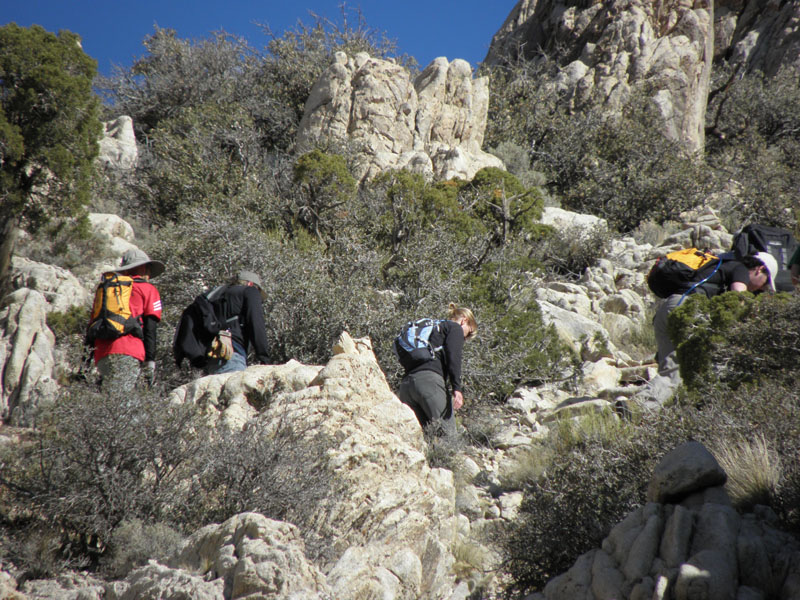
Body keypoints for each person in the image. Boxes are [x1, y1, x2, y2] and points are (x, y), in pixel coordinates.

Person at [647, 251, 778, 403]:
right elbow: (738, 300)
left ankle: (635, 407)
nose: (762, 289)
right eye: (766, 282)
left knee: (671, 371)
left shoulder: (720, 265)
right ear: (759, 269)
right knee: (710, 364)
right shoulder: (740, 269)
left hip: (668, 308)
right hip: (690, 309)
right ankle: (708, 405)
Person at [398, 303, 477, 436]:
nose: (464, 339)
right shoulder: (455, 328)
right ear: (464, 320)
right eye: (467, 334)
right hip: (429, 383)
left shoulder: (431, 328)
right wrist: (456, 388)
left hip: (406, 387)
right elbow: (454, 357)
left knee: (423, 439)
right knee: (449, 438)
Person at [93, 248, 164, 390]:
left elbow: (92, 326)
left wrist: (84, 362)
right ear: (144, 268)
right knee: (123, 405)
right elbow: (150, 328)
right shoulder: (149, 290)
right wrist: (150, 363)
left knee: (109, 401)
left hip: (101, 353)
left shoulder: (108, 290)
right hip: (128, 351)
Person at [203, 270, 270, 374]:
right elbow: (256, 324)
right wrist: (264, 358)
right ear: (250, 283)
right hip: (232, 355)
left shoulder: (216, 295)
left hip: (212, 355)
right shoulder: (250, 291)